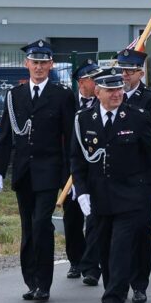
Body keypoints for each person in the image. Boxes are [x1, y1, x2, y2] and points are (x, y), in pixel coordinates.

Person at [71, 67, 151, 303]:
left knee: (120, 247)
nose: (116, 94)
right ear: (97, 92)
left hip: (131, 195)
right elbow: (77, 159)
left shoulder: (137, 118)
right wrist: (81, 191)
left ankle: (113, 300)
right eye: (110, 90)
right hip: (100, 196)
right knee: (105, 248)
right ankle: (113, 287)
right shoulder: (83, 119)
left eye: (119, 88)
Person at [0, 40, 76, 302]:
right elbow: (5, 134)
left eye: (43, 63)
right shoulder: (15, 95)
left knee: (41, 224)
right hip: (24, 171)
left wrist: (71, 175)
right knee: (28, 227)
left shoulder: (62, 95)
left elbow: (71, 138)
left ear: (51, 65)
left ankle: (44, 283)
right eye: (34, 62)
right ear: (26, 64)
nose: (39, 67)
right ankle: (31, 281)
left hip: (49, 171)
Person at [113, 47, 151, 303]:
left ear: (140, 74)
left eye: (130, 71)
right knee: (118, 234)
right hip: (116, 175)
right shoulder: (112, 95)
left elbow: (149, 128)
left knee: (142, 231)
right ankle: (117, 284)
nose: (125, 75)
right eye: (122, 70)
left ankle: (139, 283)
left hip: (142, 174)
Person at [63, 59, 98, 279]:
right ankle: (75, 260)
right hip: (70, 168)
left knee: (94, 217)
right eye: (93, 79)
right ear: (81, 82)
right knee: (72, 217)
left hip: (95, 168)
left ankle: (92, 267)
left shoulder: (102, 102)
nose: (97, 83)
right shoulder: (67, 102)